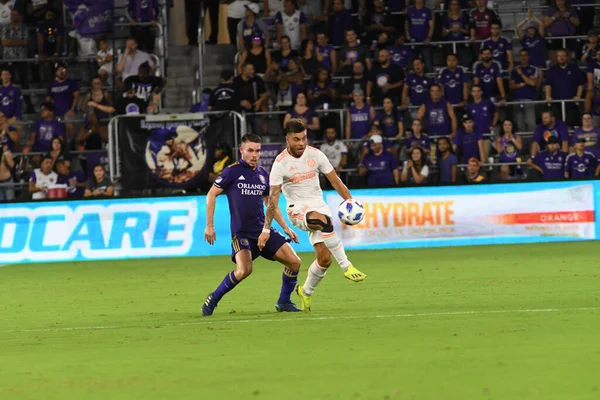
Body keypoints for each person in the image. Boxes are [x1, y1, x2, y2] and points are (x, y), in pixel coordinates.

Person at [260, 119, 367, 312]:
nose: (301, 143)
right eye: (296, 139)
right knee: (324, 221)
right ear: (287, 139)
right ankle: (347, 266)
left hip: (319, 206)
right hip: (297, 210)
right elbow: (273, 199)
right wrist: (266, 228)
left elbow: (335, 181)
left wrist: (350, 202)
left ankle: (305, 292)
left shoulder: (316, 155)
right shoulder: (280, 164)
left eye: (304, 138)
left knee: (324, 260)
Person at [202, 133, 302, 316]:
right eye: (250, 150)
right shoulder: (231, 172)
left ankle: (284, 301)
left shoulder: (263, 174)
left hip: (263, 231)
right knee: (244, 270)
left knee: (295, 262)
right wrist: (209, 225)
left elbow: (270, 205)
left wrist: (286, 227)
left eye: (257, 151)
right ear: (241, 150)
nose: (254, 155)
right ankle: (213, 298)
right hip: (242, 234)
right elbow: (211, 194)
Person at [2, 9, 34, 114]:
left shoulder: (24, 28)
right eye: (12, 15)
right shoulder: (5, 27)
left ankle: (29, 105)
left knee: (24, 82)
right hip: (8, 59)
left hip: (22, 58)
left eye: (15, 15)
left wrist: (11, 41)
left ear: (19, 16)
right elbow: (4, 42)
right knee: (8, 82)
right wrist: (18, 42)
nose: (13, 17)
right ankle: (9, 106)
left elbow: (25, 42)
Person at [545, 48, 584, 128]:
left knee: (571, 126)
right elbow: (548, 84)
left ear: (567, 57)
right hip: (556, 103)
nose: (561, 58)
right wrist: (548, 96)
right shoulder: (552, 69)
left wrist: (578, 95)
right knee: (556, 127)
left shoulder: (574, 68)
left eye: (563, 56)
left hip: (571, 103)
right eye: (559, 56)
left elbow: (580, 83)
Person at [510, 49, 541, 133]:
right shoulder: (514, 70)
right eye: (521, 56)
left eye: (525, 55)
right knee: (520, 126)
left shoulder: (533, 69)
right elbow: (511, 85)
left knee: (531, 125)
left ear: (528, 57)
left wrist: (521, 74)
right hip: (517, 100)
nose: (523, 58)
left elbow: (532, 83)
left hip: (529, 100)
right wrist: (522, 84)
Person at [466, 84, 498, 157]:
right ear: (471, 93)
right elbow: (468, 120)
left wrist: (493, 125)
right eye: (474, 91)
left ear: (481, 92)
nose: (476, 93)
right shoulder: (469, 106)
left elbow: (496, 113)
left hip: (486, 136)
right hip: (474, 137)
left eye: (478, 91)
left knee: (484, 158)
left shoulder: (488, 103)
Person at [405, 0, 434, 72]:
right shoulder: (410, 10)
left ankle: (430, 79)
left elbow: (431, 26)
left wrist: (428, 38)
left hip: (424, 42)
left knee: (427, 62)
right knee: (412, 62)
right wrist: (407, 34)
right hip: (413, 42)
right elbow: (406, 24)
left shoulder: (427, 11)